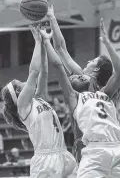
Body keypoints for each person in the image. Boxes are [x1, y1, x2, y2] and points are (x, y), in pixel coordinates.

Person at [40, 19, 120, 178]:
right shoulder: (109, 93)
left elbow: (60, 50)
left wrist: (51, 23)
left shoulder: (86, 81)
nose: (88, 61)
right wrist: (52, 19)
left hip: (91, 144)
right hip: (96, 143)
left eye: (92, 61)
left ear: (96, 70)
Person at [2, 24, 77, 178]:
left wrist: (44, 42)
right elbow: (34, 72)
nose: (24, 82)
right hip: (45, 162)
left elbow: (43, 70)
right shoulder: (23, 106)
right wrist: (36, 41)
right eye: (19, 84)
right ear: (17, 94)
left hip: (62, 153)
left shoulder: (39, 98)